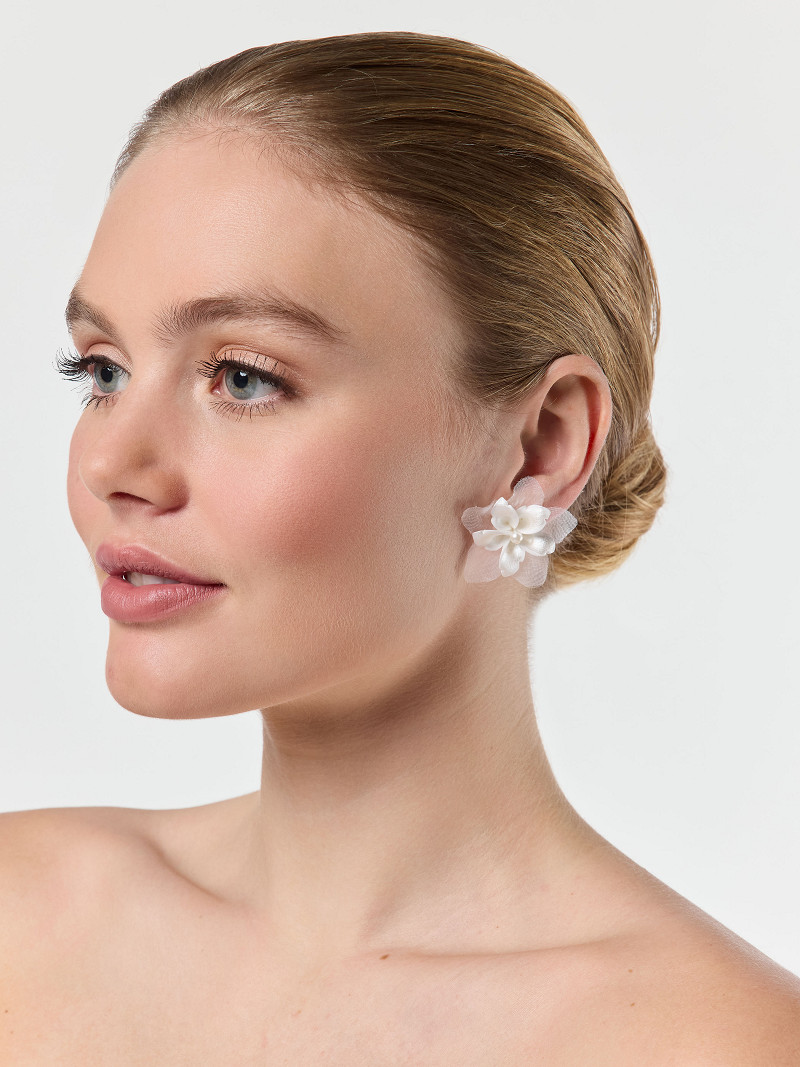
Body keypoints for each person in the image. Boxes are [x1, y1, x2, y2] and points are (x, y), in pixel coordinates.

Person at [2, 30, 799, 1064]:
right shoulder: (21, 918)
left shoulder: (714, 1042)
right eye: (103, 370)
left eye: (243, 377)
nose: (114, 463)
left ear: (541, 445)